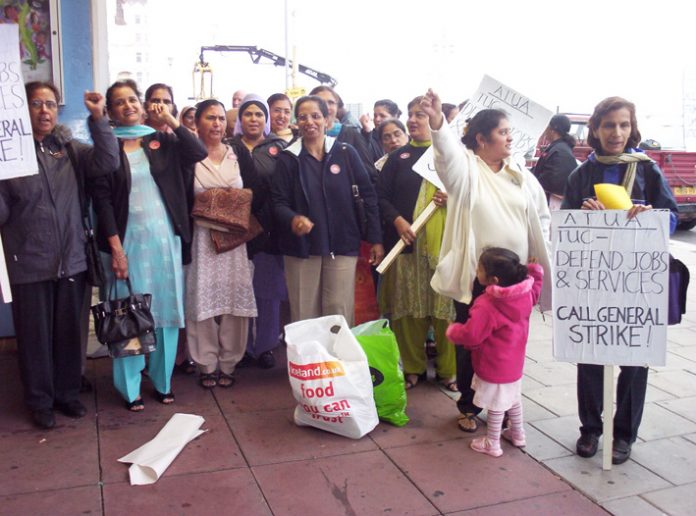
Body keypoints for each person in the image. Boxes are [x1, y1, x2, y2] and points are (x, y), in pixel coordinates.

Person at [421, 88, 552, 433]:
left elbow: (541, 216)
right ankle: (470, 406)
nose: (510, 137)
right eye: (502, 132)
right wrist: (437, 123)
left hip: (515, 281)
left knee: (509, 345)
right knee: (473, 345)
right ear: (481, 139)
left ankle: (507, 406)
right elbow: (447, 156)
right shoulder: (466, 172)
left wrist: (537, 253)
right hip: (477, 279)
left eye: (509, 131)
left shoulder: (520, 173)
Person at [562, 96, 679, 465]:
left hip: (638, 284)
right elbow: (564, 226)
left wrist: (650, 215)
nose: (617, 133)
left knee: (635, 358)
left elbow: (671, 218)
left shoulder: (647, 170)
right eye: (609, 125)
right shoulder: (582, 174)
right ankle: (590, 429)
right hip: (594, 282)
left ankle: (625, 433)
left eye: (624, 125)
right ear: (595, 129)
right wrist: (583, 216)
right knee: (590, 353)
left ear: (633, 128)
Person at [0, 82, 119, 429]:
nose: (44, 110)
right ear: (22, 110)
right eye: (36, 103)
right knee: (35, 338)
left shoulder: (69, 150)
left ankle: (67, 395)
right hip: (29, 262)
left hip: (72, 259)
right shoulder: (9, 156)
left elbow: (108, 161)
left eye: (50, 104)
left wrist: (99, 119)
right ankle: (39, 402)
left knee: (70, 333)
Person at [89, 79, 207, 411]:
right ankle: (130, 388)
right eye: (119, 102)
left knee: (166, 313)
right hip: (128, 243)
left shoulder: (162, 141)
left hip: (164, 241)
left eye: (132, 100)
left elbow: (198, 152)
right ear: (111, 111)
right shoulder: (107, 148)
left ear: (141, 105)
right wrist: (116, 249)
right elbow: (103, 204)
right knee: (130, 313)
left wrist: (170, 119)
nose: (128, 106)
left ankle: (162, 381)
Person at [271, 95, 384, 326]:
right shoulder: (288, 158)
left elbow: (368, 195)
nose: (309, 122)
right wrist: (293, 219)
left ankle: (337, 362)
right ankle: (309, 363)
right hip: (301, 249)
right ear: (297, 122)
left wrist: (375, 239)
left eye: (315, 116)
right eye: (303, 117)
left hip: (343, 245)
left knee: (339, 314)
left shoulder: (345, 152)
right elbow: (277, 202)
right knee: (305, 316)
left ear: (326, 119)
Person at [376, 96, 456, 392]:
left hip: (446, 248)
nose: (412, 119)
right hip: (406, 246)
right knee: (407, 311)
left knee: (446, 311)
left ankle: (450, 370)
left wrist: (454, 196)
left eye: (420, 114)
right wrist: (397, 220)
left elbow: (473, 193)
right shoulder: (398, 158)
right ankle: (412, 368)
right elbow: (380, 197)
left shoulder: (453, 156)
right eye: (410, 114)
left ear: (435, 118)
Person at [186, 99, 262, 388]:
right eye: (209, 118)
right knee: (201, 298)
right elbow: (183, 196)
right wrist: (221, 199)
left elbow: (255, 190)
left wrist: (219, 201)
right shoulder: (189, 154)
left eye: (220, 118)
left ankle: (229, 362)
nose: (216, 123)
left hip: (233, 238)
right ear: (197, 122)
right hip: (201, 238)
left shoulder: (237, 152)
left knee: (234, 298)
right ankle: (206, 363)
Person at [447, 249, 543, 457]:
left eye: (479, 268)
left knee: (497, 404)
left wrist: (454, 331)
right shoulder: (524, 294)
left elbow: (472, 335)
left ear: (493, 279)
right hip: (514, 363)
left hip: (492, 363)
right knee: (513, 398)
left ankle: (493, 442)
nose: (476, 271)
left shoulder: (487, 305)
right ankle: (518, 434)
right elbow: (535, 288)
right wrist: (535, 271)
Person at [230, 94, 288, 369]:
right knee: (238, 290)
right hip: (235, 231)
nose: (254, 119)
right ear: (240, 119)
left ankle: (264, 346)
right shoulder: (228, 147)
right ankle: (239, 348)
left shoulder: (279, 148)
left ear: (266, 120)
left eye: (259, 114)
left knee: (268, 292)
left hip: (270, 232)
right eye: (248, 114)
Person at [309, 85, 377, 180]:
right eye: (320, 102)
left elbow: (369, 174)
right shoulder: (300, 139)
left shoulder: (352, 135)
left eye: (331, 102)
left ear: (337, 107)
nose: (326, 107)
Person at [533, 114, 577, 210]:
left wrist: (533, 182)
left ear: (552, 129)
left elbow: (554, 180)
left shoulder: (560, 151)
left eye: (547, 128)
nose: (544, 132)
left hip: (553, 204)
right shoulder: (559, 148)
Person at [359, 99, 402, 163]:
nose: (377, 119)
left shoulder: (405, 139)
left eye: (382, 116)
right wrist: (366, 132)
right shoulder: (369, 138)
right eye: (375, 115)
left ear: (394, 117)